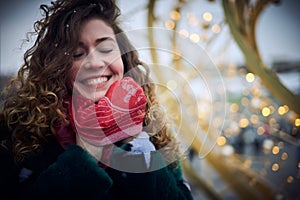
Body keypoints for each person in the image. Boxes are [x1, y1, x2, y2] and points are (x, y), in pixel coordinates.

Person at [0, 0, 193, 199]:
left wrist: (135, 145)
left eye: (106, 49)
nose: (94, 62)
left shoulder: (152, 126)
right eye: (77, 54)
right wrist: (84, 156)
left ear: (123, 58)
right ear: (57, 67)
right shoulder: (19, 133)